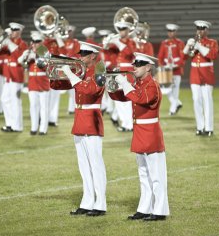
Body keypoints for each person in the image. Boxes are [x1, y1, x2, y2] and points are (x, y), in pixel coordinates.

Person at [109, 52, 169, 221]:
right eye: (134, 64)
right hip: (140, 132)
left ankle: (159, 210)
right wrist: (111, 85)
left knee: (157, 175)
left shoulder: (152, 85)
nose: (134, 67)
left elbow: (142, 99)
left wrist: (125, 84)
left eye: (139, 64)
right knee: (143, 174)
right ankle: (144, 208)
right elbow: (121, 96)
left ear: (148, 67)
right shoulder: (138, 83)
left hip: (151, 133)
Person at [50, 41, 107, 217]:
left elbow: (89, 91)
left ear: (92, 56)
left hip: (92, 120)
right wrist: (54, 72)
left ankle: (100, 203)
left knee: (96, 164)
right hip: (80, 120)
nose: (79, 57)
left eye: (83, 55)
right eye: (80, 54)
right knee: (83, 165)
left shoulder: (99, 72)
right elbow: (57, 85)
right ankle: (87, 201)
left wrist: (70, 74)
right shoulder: (79, 72)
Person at [183, 20, 219, 136]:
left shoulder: (212, 42)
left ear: (207, 30)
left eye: (202, 29)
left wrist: (199, 46)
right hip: (195, 74)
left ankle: (209, 128)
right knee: (196, 100)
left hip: (207, 74)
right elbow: (184, 57)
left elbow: (213, 55)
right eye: (198, 29)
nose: (200, 31)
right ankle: (200, 126)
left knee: (207, 101)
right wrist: (188, 45)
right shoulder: (194, 42)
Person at [106, 20, 137, 132]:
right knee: (118, 100)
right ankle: (124, 123)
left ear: (128, 30)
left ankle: (130, 124)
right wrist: (108, 42)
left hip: (128, 72)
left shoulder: (131, 42)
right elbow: (109, 53)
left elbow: (131, 54)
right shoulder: (116, 42)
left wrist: (118, 43)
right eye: (119, 29)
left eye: (123, 29)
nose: (121, 31)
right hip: (118, 71)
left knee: (128, 99)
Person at [18, 31, 49, 135]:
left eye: (37, 41)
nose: (35, 44)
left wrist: (35, 56)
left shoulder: (45, 52)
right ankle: (34, 127)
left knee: (44, 107)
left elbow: (45, 65)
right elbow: (20, 61)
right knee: (33, 106)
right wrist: (25, 55)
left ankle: (43, 129)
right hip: (32, 83)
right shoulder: (29, 52)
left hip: (43, 83)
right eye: (34, 42)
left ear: (42, 42)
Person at [0, 23, 28, 132]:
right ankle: (10, 123)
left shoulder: (23, 44)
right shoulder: (8, 43)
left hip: (16, 76)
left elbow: (18, 58)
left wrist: (9, 43)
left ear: (20, 32)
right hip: (8, 76)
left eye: (15, 30)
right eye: (12, 30)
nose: (12, 32)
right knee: (4, 100)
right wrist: (1, 41)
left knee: (15, 102)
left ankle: (17, 126)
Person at [158, 23, 185, 115]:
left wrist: (175, 65)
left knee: (175, 89)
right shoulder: (164, 43)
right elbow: (160, 57)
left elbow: (182, 58)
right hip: (166, 71)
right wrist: (162, 66)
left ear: (176, 32)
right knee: (166, 90)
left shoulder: (180, 43)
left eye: (173, 31)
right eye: (169, 31)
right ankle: (177, 103)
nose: (171, 33)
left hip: (176, 71)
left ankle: (173, 109)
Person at [64, 25, 81, 115]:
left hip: (73, 68)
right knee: (69, 89)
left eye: (70, 31)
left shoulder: (76, 42)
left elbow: (77, 55)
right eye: (67, 31)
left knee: (73, 88)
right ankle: (71, 108)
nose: (68, 33)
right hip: (64, 67)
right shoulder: (63, 42)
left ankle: (74, 107)